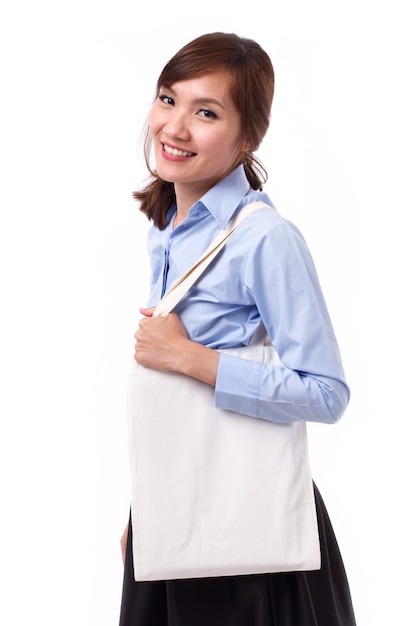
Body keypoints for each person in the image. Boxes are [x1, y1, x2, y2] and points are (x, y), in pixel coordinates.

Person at [119, 32, 356, 626]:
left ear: (247, 137)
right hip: (179, 515)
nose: (174, 127)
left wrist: (189, 357)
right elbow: (176, 412)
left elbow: (326, 393)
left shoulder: (263, 238)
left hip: (248, 533)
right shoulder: (168, 227)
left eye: (206, 112)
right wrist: (143, 508)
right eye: (168, 99)